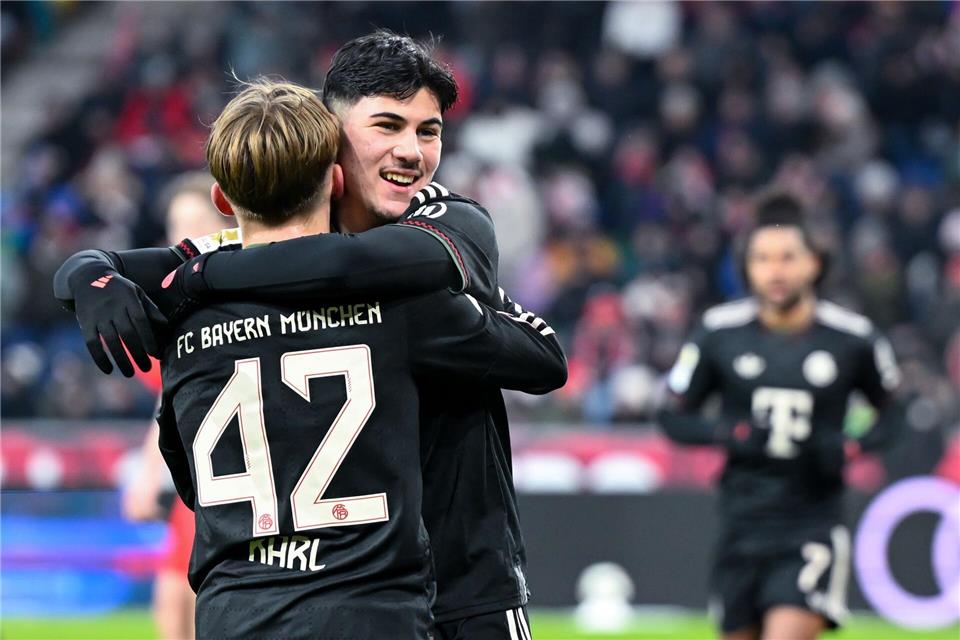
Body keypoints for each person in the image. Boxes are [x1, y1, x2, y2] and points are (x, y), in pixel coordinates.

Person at [56, 31, 551, 639]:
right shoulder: (407, 301)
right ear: (331, 138)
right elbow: (110, 264)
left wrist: (197, 277)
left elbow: (542, 356)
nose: (412, 153)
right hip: (377, 594)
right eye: (388, 126)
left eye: (429, 132)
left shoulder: (446, 224)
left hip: (463, 580)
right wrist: (86, 272)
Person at [658, 192, 904, 640]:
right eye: (762, 258)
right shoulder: (718, 333)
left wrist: (853, 446)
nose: (775, 270)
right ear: (746, 266)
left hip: (810, 523)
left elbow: (894, 411)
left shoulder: (853, 339)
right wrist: (729, 433)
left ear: (815, 262)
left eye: (788, 257)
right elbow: (672, 415)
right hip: (740, 520)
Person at [122, 172, 232, 640]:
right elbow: (169, 403)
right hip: (199, 474)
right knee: (174, 599)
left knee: (181, 596)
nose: (184, 236)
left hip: (229, 474)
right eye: (175, 225)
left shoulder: (228, 302)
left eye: (196, 222)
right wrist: (147, 476)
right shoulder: (172, 309)